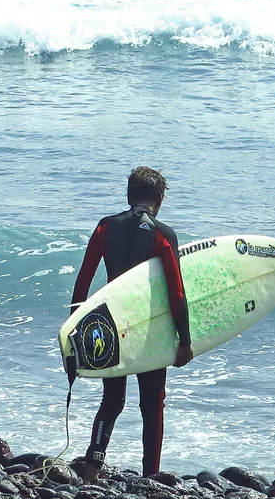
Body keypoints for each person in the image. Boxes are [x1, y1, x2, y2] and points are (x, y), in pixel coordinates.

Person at [70, 166, 193, 482]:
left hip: (111, 326)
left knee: (112, 401)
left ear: (129, 194)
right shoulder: (163, 235)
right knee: (152, 406)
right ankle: (150, 476)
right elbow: (176, 293)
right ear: (159, 198)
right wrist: (185, 341)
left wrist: (76, 329)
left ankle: (91, 470)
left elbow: (83, 282)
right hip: (148, 328)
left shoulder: (105, 228)